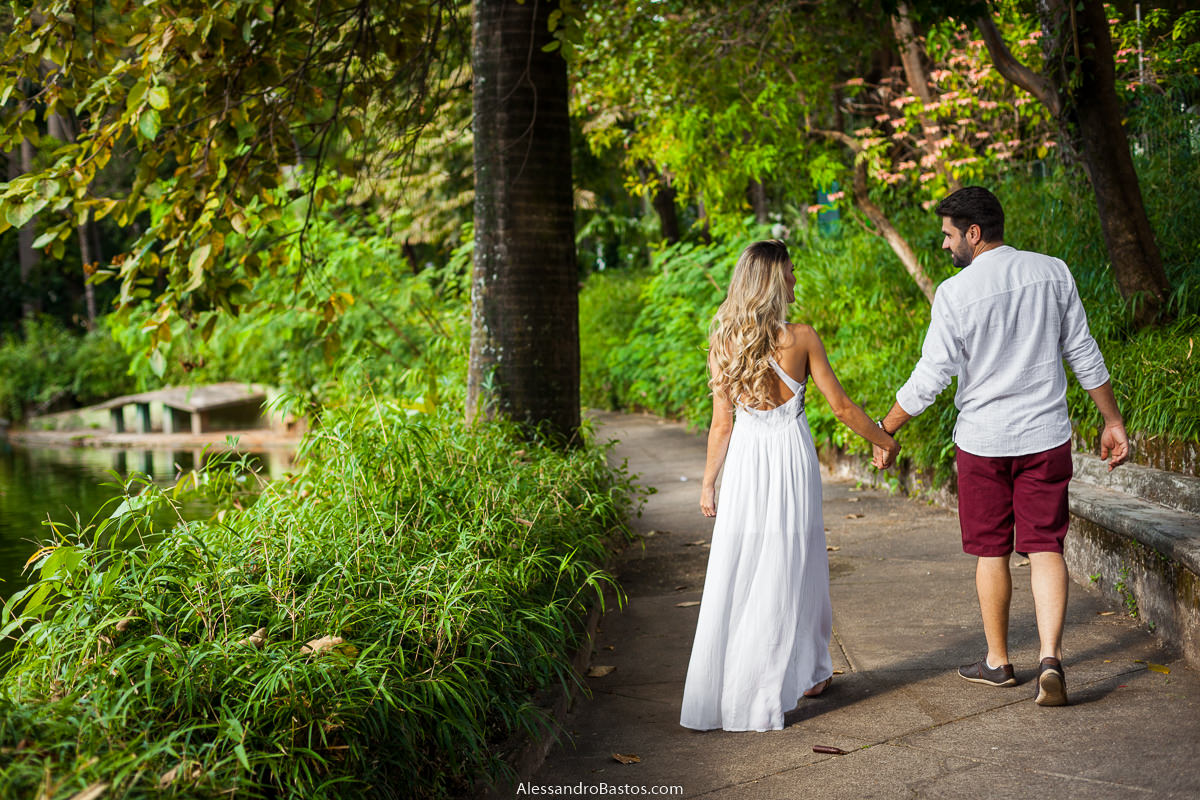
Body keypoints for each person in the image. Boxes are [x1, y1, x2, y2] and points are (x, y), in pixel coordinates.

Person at [872, 186, 1130, 707]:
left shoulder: (955, 294)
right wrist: (1112, 420)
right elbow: (1082, 349)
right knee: (1045, 547)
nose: (944, 246)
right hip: (1045, 436)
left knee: (991, 550)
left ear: (973, 233)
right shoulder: (1052, 271)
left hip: (984, 443)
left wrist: (887, 426)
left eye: (948, 235)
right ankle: (1051, 659)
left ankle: (998, 661)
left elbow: (932, 374)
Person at [680, 239, 899, 732]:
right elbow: (841, 408)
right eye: (792, 273)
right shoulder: (801, 338)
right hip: (790, 460)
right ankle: (790, 678)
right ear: (775, 282)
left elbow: (722, 424)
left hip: (747, 465)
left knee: (748, 567)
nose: (797, 280)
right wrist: (885, 439)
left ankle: (801, 672)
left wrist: (708, 483)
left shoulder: (723, 343)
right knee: (796, 563)